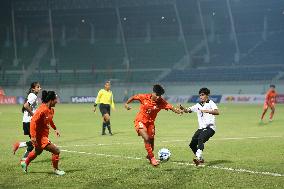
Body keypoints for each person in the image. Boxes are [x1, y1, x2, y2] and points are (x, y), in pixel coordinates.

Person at [124, 84, 183, 166]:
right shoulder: (144, 97)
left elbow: (170, 107)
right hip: (140, 120)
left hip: (151, 123)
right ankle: (152, 158)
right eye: (157, 95)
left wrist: (179, 111)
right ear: (153, 93)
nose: (158, 97)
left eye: (160, 95)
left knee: (151, 141)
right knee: (146, 137)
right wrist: (126, 104)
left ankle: (149, 155)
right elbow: (134, 97)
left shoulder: (161, 102)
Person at [20, 90, 65, 176]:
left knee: (37, 152)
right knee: (56, 151)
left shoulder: (51, 110)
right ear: (51, 100)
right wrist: (33, 137)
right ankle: (56, 170)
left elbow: (50, 119)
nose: (57, 101)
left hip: (43, 136)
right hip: (39, 137)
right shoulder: (42, 109)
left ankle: (25, 163)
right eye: (56, 99)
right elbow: (33, 121)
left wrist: (55, 129)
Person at [180, 88, 219, 167]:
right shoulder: (198, 105)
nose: (201, 96)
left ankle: (197, 158)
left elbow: (217, 112)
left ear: (207, 95)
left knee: (200, 138)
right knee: (192, 144)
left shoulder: (210, 102)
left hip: (210, 128)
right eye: (200, 95)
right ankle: (200, 158)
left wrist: (207, 111)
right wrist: (183, 109)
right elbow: (188, 110)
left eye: (203, 95)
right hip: (201, 128)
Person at [13, 82, 41, 162]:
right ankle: (20, 144)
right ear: (33, 88)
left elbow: (26, 106)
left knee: (34, 142)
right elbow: (26, 106)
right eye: (38, 87)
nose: (40, 88)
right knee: (37, 141)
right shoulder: (33, 96)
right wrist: (33, 114)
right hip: (30, 122)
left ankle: (24, 159)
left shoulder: (31, 95)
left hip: (26, 121)